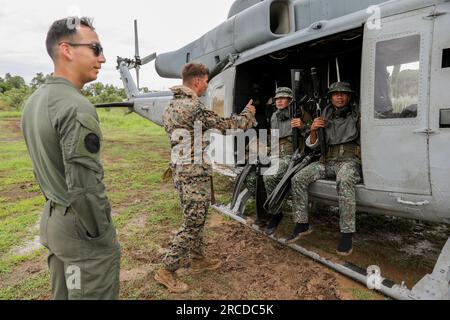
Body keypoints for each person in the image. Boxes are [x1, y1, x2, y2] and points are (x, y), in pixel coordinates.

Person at [21, 17, 120, 299]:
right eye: (96, 48)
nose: (103, 58)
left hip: (55, 219)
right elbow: (85, 188)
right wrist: (102, 234)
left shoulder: (36, 100)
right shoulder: (76, 106)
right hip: (80, 229)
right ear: (66, 50)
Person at [155, 62, 257, 293]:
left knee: (196, 217)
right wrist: (247, 113)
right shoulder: (194, 107)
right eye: (207, 81)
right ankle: (166, 270)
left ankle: (198, 260)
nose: (207, 86)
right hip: (193, 173)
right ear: (198, 81)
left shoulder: (171, 105)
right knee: (193, 222)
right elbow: (229, 125)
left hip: (181, 171)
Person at [289, 82, 361, 255]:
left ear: (349, 97)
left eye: (343, 94)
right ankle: (302, 223)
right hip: (327, 160)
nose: (340, 97)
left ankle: (346, 234)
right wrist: (313, 129)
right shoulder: (324, 115)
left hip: (348, 160)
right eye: (336, 94)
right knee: (297, 178)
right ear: (330, 97)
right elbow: (312, 145)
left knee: (344, 180)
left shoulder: (357, 114)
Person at [244, 87, 311, 233]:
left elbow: (313, 139)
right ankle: (266, 211)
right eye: (277, 99)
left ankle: (275, 214)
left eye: (283, 98)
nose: (279, 101)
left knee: (269, 176)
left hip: (293, 156)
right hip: (276, 154)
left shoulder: (300, 114)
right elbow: (274, 139)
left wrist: (303, 126)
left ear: (290, 100)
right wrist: (264, 148)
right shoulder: (275, 116)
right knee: (250, 177)